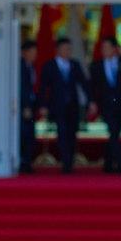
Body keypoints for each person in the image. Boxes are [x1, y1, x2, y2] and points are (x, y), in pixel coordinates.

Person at [88, 36, 121, 174]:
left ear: (114, 49)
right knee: (113, 131)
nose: (105, 50)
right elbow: (91, 86)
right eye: (103, 48)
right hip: (105, 106)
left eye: (108, 47)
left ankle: (108, 164)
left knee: (115, 133)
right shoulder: (96, 66)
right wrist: (92, 103)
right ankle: (120, 164)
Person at [40, 37, 88, 174]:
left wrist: (90, 101)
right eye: (65, 49)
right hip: (58, 107)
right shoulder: (50, 66)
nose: (68, 52)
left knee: (72, 134)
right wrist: (43, 105)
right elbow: (43, 87)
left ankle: (70, 162)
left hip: (72, 107)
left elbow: (84, 84)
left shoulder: (74, 64)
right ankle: (65, 162)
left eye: (69, 49)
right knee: (62, 133)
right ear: (58, 50)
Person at [18, 39, 39, 173]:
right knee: (24, 135)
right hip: (23, 107)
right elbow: (23, 89)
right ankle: (23, 162)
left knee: (30, 135)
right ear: (24, 53)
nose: (34, 55)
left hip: (30, 106)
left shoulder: (30, 66)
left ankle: (27, 162)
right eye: (32, 52)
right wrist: (25, 106)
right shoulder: (20, 67)